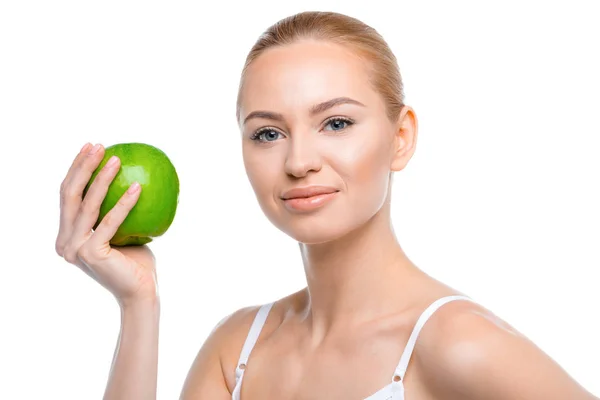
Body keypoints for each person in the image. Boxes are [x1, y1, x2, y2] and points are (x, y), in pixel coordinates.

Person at [55, 11, 597, 400]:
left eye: (336, 123)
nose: (298, 161)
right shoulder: (235, 351)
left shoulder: (457, 343)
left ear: (401, 137)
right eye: (267, 133)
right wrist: (138, 307)